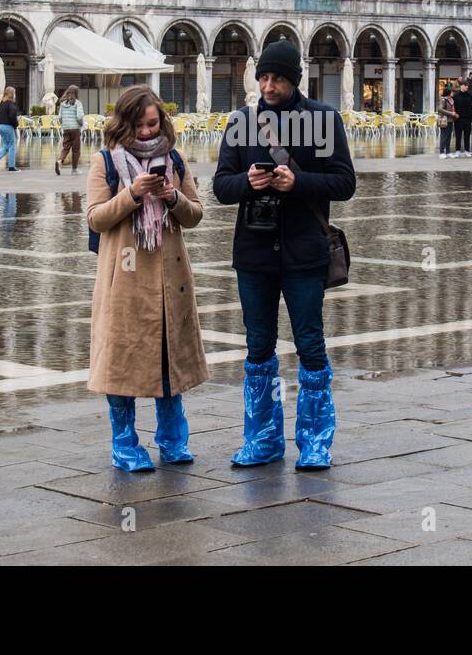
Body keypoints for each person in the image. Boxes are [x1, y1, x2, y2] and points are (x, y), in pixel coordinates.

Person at [213, 40, 356, 470]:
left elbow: (345, 183)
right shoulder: (241, 121)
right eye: (263, 77)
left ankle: (314, 442)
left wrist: (299, 183)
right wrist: (248, 184)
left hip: (303, 253)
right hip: (254, 254)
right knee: (258, 346)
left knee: (310, 343)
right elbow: (221, 185)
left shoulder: (324, 120)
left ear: (294, 78)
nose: (267, 85)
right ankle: (263, 439)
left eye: (275, 77)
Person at [86, 85, 207, 471]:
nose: (145, 132)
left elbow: (195, 215)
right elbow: (95, 218)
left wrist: (172, 197)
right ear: (124, 124)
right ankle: (125, 443)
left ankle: (173, 440)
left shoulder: (175, 159)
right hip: (125, 280)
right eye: (138, 125)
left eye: (152, 123)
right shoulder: (104, 161)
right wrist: (132, 195)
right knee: (122, 362)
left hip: (170, 281)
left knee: (168, 357)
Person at [55, 85, 86, 176]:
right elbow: (79, 117)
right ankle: (74, 170)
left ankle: (60, 161)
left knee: (66, 147)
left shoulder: (63, 103)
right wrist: (81, 124)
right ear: (76, 93)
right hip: (75, 129)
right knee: (76, 150)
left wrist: (64, 124)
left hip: (66, 129)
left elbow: (59, 118)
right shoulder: (77, 103)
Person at [0, 86, 20, 171]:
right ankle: (11, 166)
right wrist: (16, 124)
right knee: (12, 146)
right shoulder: (11, 104)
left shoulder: (2, 103)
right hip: (8, 126)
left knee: (6, 145)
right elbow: (12, 115)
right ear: (12, 94)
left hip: (0, 125)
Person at [452, 80, 472, 157]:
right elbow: (453, 107)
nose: (467, 87)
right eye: (465, 86)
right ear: (461, 86)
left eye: (467, 86)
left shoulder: (470, 95)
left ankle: (467, 150)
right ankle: (457, 150)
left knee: (467, 135)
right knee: (458, 135)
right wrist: (454, 115)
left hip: (468, 118)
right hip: (458, 119)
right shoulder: (455, 96)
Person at [437, 84, 458, 158]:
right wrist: (450, 113)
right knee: (444, 136)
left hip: (450, 120)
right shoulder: (443, 99)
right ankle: (442, 152)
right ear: (448, 92)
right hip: (444, 120)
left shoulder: (451, 100)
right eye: (452, 92)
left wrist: (454, 114)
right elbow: (440, 109)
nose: (453, 93)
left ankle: (448, 151)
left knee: (449, 136)